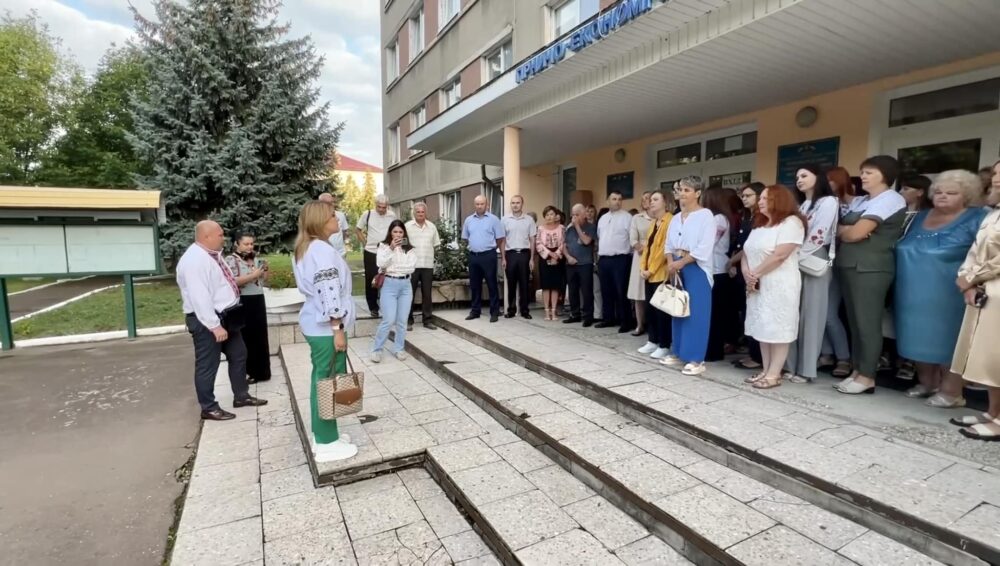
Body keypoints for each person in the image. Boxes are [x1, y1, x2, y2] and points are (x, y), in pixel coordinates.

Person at [896, 170, 986, 407]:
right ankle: (927, 383)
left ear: (966, 195)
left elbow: (986, 254)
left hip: (950, 293)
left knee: (950, 341)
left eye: (951, 192)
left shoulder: (978, 217)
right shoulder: (918, 216)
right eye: (938, 191)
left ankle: (952, 391)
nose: (942, 196)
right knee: (916, 336)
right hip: (911, 290)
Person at [176, 220, 267, 421]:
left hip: (227, 315)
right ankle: (208, 407)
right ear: (206, 236)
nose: (223, 238)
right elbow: (199, 297)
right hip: (207, 320)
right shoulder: (194, 260)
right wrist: (214, 326)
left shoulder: (213, 255)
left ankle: (241, 396)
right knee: (208, 364)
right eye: (220, 235)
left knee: (239, 353)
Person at [834, 155, 907, 395]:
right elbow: (842, 230)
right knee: (854, 322)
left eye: (870, 172)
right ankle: (857, 370)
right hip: (850, 265)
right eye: (863, 171)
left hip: (871, 268)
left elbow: (856, 233)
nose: (863, 176)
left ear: (885, 175)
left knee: (867, 323)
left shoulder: (890, 199)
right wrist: (850, 231)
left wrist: (851, 231)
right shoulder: (863, 201)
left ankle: (867, 376)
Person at [292, 201, 357, 462]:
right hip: (326, 328)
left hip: (317, 325)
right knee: (327, 381)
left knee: (324, 378)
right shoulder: (320, 250)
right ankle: (326, 441)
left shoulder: (310, 247)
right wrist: (337, 327)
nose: (337, 219)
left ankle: (325, 433)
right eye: (332, 216)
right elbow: (328, 291)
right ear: (320, 221)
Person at [952, 160, 1000, 440]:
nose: (995, 179)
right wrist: (966, 279)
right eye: (995, 173)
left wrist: (973, 277)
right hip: (984, 291)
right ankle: (992, 412)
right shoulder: (992, 213)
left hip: (994, 286)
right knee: (985, 355)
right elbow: (976, 250)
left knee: (997, 355)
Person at [742, 186, 806, 389]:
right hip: (757, 284)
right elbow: (746, 252)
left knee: (777, 328)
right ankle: (765, 369)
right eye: (760, 198)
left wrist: (756, 274)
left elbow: (780, 255)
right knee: (762, 327)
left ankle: (774, 373)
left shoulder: (791, 222)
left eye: (766, 198)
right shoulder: (760, 223)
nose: (760, 202)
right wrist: (748, 275)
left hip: (779, 283)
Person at [784, 166, 839, 383]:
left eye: (804, 175)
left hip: (814, 256)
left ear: (819, 178)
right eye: (797, 176)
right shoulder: (802, 204)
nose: (799, 180)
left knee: (812, 316)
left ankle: (807, 369)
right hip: (795, 257)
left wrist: (796, 255)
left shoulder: (828, 201)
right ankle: (789, 365)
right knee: (792, 314)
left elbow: (819, 233)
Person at [662, 176, 716, 376]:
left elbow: (704, 247)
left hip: (696, 266)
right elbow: (668, 244)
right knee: (677, 309)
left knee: (697, 313)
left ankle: (696, 358)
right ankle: (678, 351)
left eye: (687, 190)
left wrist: (681, 262)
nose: (682, 194)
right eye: (681, 190)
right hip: (676, 265)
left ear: (698, 193)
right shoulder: (676, 218)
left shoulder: (705, 215)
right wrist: (670, 263)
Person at [819, 167, 860, 378]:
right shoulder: (819, 204)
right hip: (820, 261)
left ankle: (844, 357)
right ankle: (826, 353)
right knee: (818, 312)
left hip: (843, 263)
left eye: (830, 181)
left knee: (829, 314)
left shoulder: (856, 204)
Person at [225, 230, 272, 383]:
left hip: (258, 298)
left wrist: (265, 271)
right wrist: (253, 275)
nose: (250, 247)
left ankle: (262, 372)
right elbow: (233, 281)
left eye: (251, 243)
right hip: (244, 300)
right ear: (236, 244)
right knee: (248, 336)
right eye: (246, 244)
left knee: (260, 335)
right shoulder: (231, 259)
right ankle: (249, 372)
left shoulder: (256, 259)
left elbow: (263, 281)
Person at [729, 182, 765, 371]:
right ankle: (752, 353)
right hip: (743, 269)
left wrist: (731, 261)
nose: (744, 199)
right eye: (743, 196)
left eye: (749, 195)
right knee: (746, 313)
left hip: (754, 270)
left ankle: (758, 356)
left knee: (754, 312)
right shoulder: (747, 217)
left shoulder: (761, 219)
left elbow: (749, 247)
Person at [371, 220, 417, 362]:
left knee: (402, 321)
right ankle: (376, 350)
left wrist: (393, 268)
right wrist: (391, 248)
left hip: (405, 285)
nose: (397, 235)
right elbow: (381, 264)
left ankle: (398, 348)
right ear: (390, 233)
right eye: (395, 232)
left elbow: (411, 268)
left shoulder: (409, 248)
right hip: (389, 285)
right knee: (388, 319)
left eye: (400, 232)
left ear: (404, 233)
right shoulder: (383, 246)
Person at [637, 190, 674, 359]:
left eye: (655, 199)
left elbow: (663, 249)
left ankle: (664, 343)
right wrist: (642, 268)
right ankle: (652, 340)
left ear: (665, 203)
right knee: (651, 309)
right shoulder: (654, 223)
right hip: (649, 273)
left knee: (662, 311)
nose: (651, 202)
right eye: (651, 199)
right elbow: (647, 248)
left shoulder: (670, 221)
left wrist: (650, 269)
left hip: (661, 273)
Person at [701, 187, 735, 362]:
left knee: (715, 315)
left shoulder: (719, 219)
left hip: (717, 271)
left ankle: (713, 351)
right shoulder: (714, 219)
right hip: (711, 270)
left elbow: (708, 243)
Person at [462, 195, 506, 322]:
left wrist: (490, 248)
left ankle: (494, 312)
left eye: (482, 204)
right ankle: (475, 311)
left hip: (488, 256)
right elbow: (465, 238)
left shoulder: (493, 219)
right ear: (474, 205)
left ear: (487, 205)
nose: (479, 206)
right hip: (473, 257)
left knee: (492, 284)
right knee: (475, 285)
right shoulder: (469, 220)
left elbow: (500, 238)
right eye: (477, 204)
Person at [596, 191, 634, 332]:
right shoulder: (603, 218)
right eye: (614, 199)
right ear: (608, 201)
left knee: (621, 291)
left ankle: (626, 321)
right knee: (606, 290)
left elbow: (631, 238)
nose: (617, 201)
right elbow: (600, 236)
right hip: (604, 259)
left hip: (620, 258)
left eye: (619, 199)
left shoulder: (627, 217)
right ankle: (608, 319)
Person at [356, 195, 396, 317]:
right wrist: (365, 243)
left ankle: (387, 305)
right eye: (379, 207)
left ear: (387, 206)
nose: (381, 210)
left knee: (388, 278)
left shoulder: (392, 215)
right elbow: (358, 229)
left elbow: (396, 230)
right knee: (372, 279)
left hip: (387, 251)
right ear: (375, 205)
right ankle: (373, 307)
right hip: (371, 251)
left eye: (384, 207)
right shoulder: (367, 214)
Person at [405, 203, 440, 331]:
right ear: (414, 213)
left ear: (426, 213)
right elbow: (403, 245)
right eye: (418, 212)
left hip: (427, 264)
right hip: (411, 266)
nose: (420, 214)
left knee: (427, 294)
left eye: (422, 212)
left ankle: (427, 320)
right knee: (409, 294)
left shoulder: (432, 227)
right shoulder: (407, 226)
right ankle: (408, 320)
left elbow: (436, 245)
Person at [502, 195, 537, 319]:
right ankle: (511, 309)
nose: (515, 205)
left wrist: (532, 258)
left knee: (524, 283)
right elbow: (503, 240)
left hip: (524, 254)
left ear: (522, 204)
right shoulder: (505, 219)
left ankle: (525, 310)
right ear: (510, 204)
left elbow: (533, 240)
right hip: (510, 254)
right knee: (511, 284)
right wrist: (503, 258)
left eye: (518, 202)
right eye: (513, 203)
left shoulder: (529, 220)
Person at [564, 204, 597, 326]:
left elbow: (586, 241)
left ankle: (588, 316)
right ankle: (575, 314)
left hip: (585, 264)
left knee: (586, 291)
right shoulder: (569, 229)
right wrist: (568, 257)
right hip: (570, 263)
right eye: (572, 214)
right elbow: (564, 245)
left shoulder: (591, 227)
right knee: (572, 290)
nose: (573, 217)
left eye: (576, 215)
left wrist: (577, 226)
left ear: (583, 215)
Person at [627, 192, 654, 336]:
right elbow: (632, 239)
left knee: (653, 292)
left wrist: (652, 251)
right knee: (638, 293)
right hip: (640, 257)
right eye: (642, 199)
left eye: (648, 198)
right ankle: (639, 325)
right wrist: (639, 247)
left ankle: (652, 324)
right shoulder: (637, 218)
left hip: (656, 257)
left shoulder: (660, 217)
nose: (645, 201)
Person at [536, 205, 566, 320]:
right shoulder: (540, 228)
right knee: (546, 286)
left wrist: (557, 255)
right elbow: (538, 243)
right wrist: (549, 254)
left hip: (558, 257)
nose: (549, 217)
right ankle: (546, 313)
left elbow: (564, 243)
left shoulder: (561, 228)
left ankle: (554, 312)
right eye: (547, 214)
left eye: (552, 214)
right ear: (544, 216)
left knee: (555, 286)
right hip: (545, 257)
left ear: (556, 216)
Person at [318, 193, 350, 257]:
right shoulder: (316, 217)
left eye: (332, 202)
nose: (332, 204)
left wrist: (343, 246)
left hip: (340, 253)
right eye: (328, 203)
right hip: (324, 254)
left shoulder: (340, 215)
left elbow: (344, 232)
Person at [586, 204, 603, 320]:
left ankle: (598, 314)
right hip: (585, 259)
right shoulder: (582, 226)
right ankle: (586, 311)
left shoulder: (598, 226)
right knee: (587, 288)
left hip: (596, 258)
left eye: (591, 211)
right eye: (587, 211)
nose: (589, 214)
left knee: (597, 289)